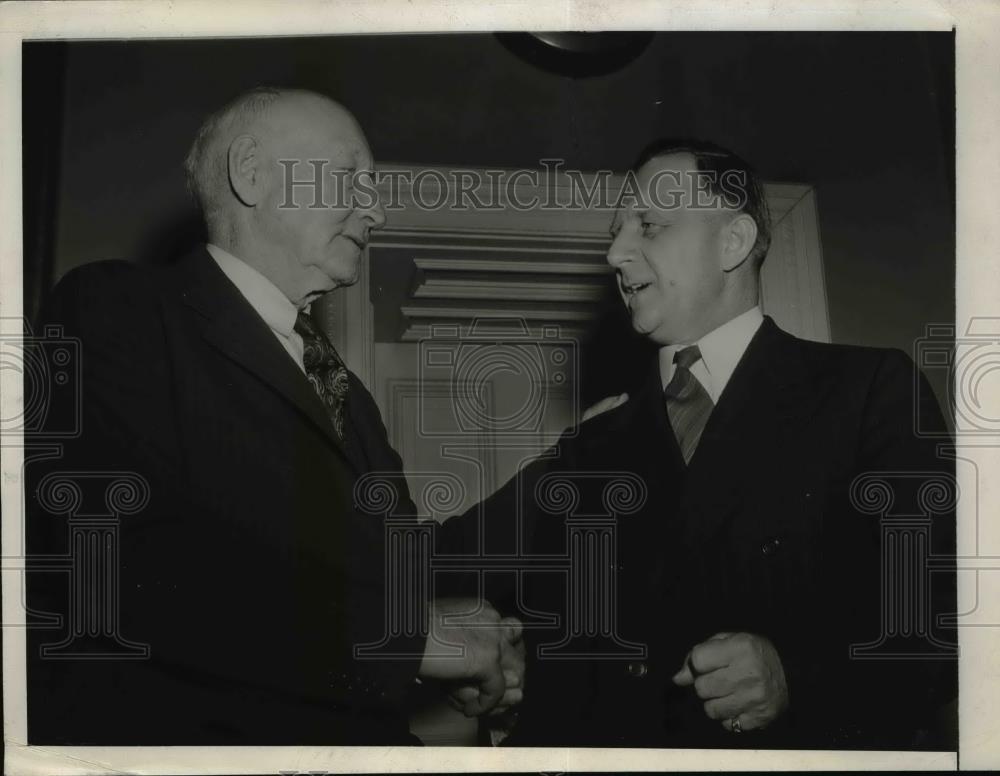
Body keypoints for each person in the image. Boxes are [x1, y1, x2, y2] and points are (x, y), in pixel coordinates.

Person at [25, 87, 522, 745]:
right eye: (351, 177)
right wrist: (408, 639)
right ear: (251, 173)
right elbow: (125, 567)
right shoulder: (119, 310)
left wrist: (580, 455)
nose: (376, 208)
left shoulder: (344, 391)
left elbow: (392, 567)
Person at [437, 139, 957, 749]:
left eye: (649, 226)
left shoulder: (867, 389)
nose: (615, 253)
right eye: (616, 232)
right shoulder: (591, 444)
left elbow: (943, 623)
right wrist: (512, 673)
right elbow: (455, 573)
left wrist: (797, 675)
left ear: (732, 242)